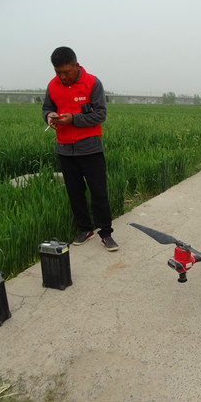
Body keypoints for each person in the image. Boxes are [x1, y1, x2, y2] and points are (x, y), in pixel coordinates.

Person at [42, 47, 118, 251]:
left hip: (90, 149)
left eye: (66, 71)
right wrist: (49, 117)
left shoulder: (92, 83)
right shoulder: (52, 86)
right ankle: (85, 229)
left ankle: (106, 233)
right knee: (75, 193)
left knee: (98, 192)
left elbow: (100, 114)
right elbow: (47, 108)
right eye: (58, 72)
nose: (62, 76)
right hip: (65, 150)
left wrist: (73, 119)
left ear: (76, 65)